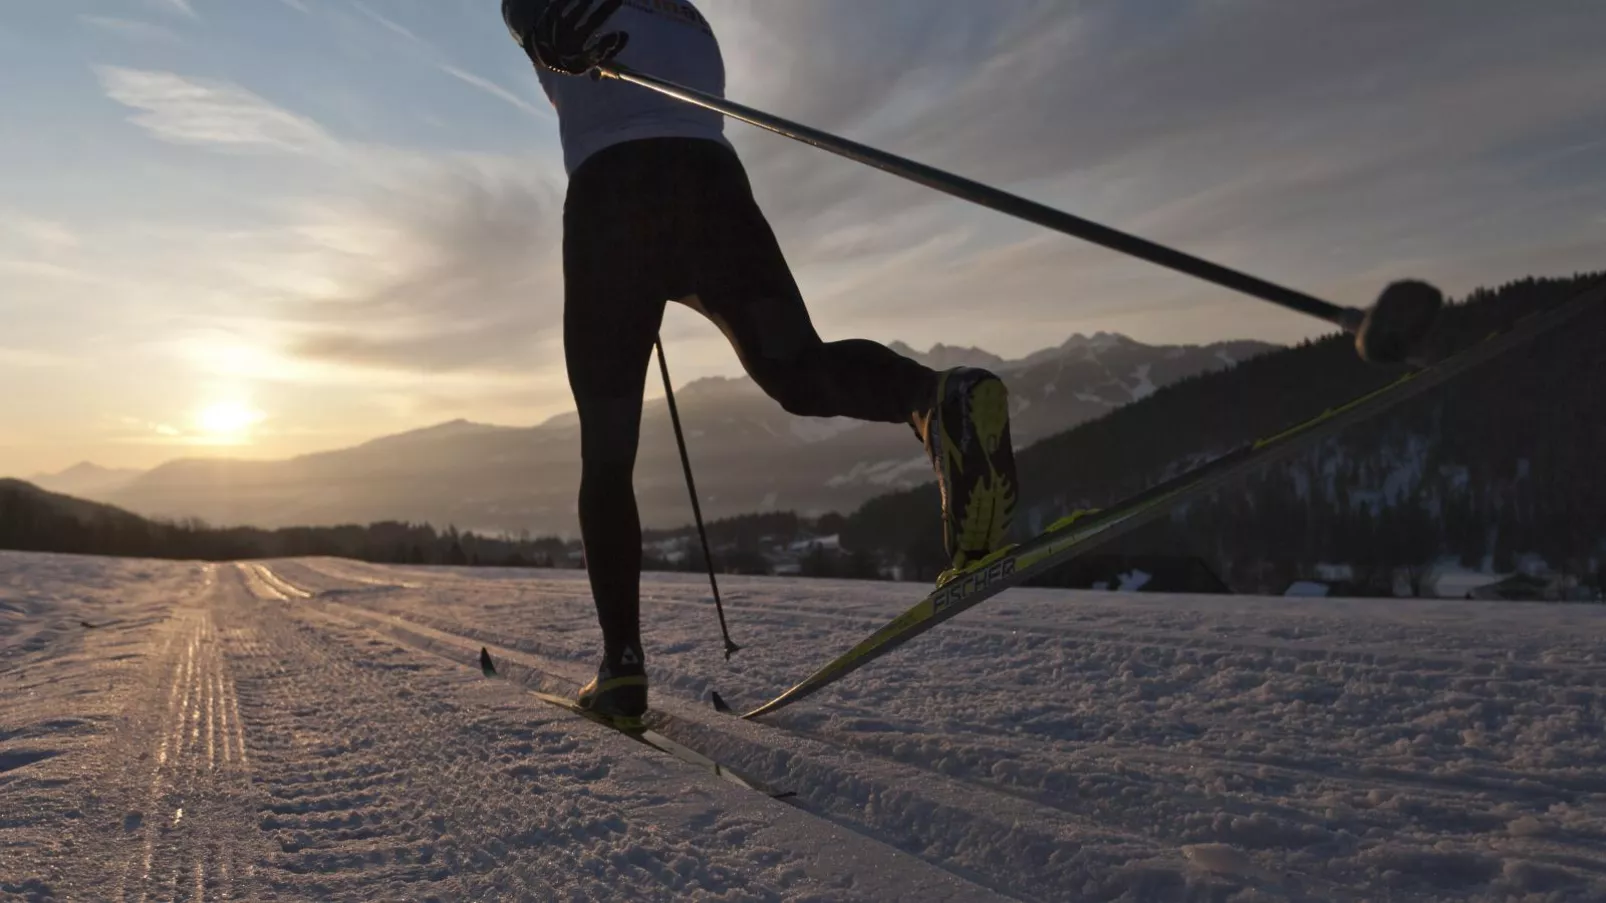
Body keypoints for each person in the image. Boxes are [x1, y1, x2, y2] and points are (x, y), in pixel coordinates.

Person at [502, 0, 1018, 722]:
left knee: (609, 450)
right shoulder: (686, 16)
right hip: (712, 188)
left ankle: (622, 668)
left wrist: (534, 25)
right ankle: (935, 398)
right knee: (798, 369)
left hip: (613, 200)